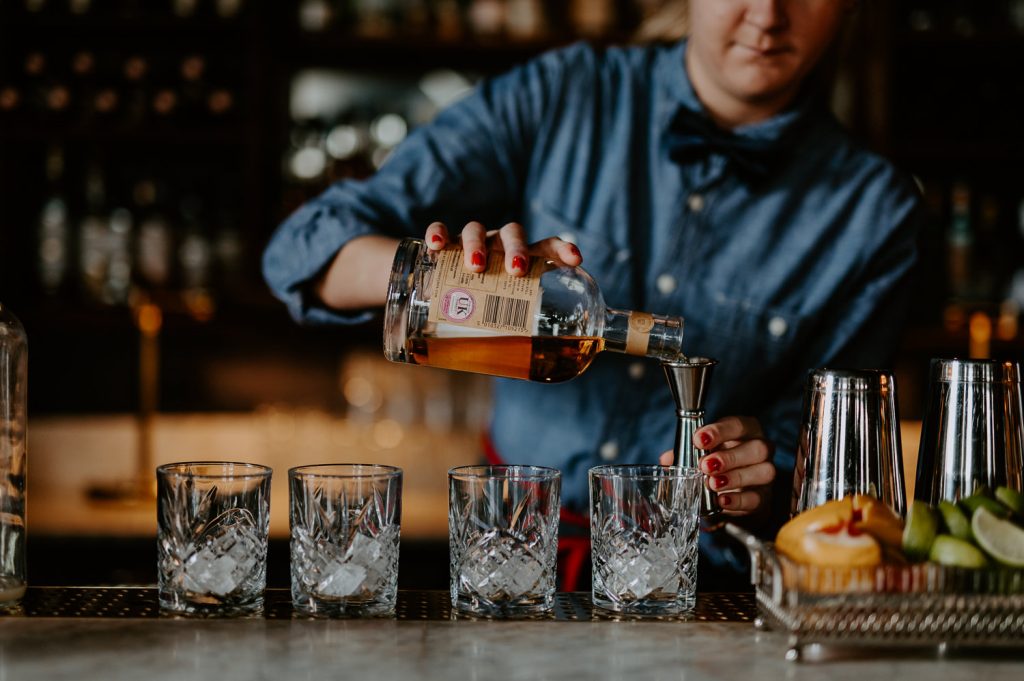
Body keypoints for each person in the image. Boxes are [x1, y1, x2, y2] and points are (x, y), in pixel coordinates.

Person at [263, 0, 923, 589]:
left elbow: (828, 477)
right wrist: (446, 281)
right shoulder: (565, 92)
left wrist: (757, 471)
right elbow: (298, 252)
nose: (768, 14)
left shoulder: (876, 213)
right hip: (505, 566)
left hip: (697, 592)